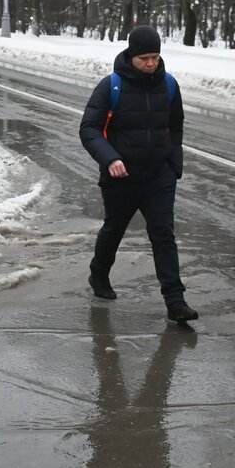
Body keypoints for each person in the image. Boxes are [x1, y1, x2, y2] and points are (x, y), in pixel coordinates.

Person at [80, 26, 198, 322]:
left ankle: (175, 301)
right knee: (114, 229)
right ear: (131, 56)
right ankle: (99, 274)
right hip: (121, 176)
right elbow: (89, 129)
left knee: (163, 235)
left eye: (155, 57)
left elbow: (176, 126)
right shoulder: (112, 86)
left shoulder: (169, 85)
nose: (150, 63)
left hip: (159, 175)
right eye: (144, 57)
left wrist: (174, 165)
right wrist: (110, 159)